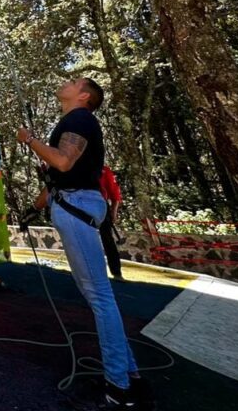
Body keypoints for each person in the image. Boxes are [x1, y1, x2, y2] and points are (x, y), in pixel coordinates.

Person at [16, 78, 145, 409]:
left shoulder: (79, 118)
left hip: (77, 208)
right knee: (98, 295)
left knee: (99, 297)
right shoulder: (75, 123)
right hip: (76, 204)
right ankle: (128, 374)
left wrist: (29, 139)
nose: (66, 82)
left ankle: (119, 386)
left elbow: (62, 162)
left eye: (74, 82)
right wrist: (34, 207)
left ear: (84, 96)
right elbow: (59, 174)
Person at [99, 164, 124, 280]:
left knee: (108, 239)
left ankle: (116, 272)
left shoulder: (104, 170)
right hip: (81, 206)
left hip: (101, 206)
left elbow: (115, 194)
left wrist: (113, 211)